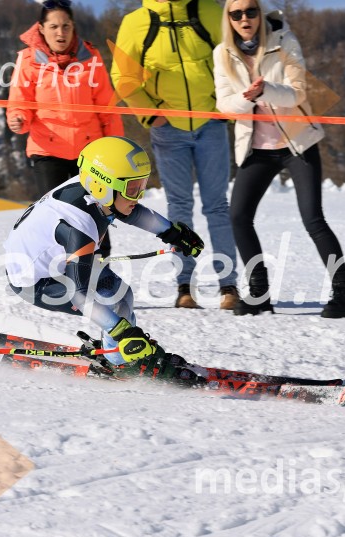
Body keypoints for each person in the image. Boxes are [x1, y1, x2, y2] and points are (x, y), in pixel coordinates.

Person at [3, 136, 205, 381]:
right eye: (132, 189)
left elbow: (131, 211)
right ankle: (119, 362)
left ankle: (117, 353)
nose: (138, 196)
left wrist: (172, 232)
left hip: (56, 263)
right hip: (34, 283)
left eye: (141, 187)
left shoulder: (97, 192)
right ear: (103, 186)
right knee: (114, 303)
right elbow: (80, 293)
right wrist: (120, 330)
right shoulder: (80, 227)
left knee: (121, 295)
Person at [213, 0, 345, 318]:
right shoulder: (222, 53)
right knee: (238, 217)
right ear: (229, 19)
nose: (244, 19)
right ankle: (259, 294)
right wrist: (245, 97)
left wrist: (266, 90)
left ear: (260, 13)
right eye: (236, 14)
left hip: (297, 144)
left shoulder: (284, 40)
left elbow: (298, 93)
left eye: (250, 11)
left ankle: (344, 295)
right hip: (256, 149)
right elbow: (225, 104)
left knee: (313, 219)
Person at [110, 0, 239, 310]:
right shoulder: (136, 22)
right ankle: (185, 287)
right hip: (168, 130)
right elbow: (124, 78)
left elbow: (236, 61)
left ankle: (229, 286)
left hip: (211, 125)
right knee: (179, 206)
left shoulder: (210, 11)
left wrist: (227, 107)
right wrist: (152, 115)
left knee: (218, 206)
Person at [6, 0, 123, 256]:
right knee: (57, 216)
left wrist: (116, 148)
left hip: (89, 153)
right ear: (42, 28)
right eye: (54, 26)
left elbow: (106, 106)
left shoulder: (89, 57)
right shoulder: (27, 59)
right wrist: (18, 118)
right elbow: (19, 101)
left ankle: (100, 274)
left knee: (96, 214)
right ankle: (58, 275)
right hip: (48, 151)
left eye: (66, 26)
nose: (61, 32)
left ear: (74, 27)